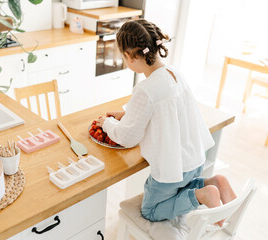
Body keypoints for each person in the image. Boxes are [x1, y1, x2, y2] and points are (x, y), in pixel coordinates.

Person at [96, 19, 236, 227]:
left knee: (150, 210)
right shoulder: (174, 73)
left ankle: (203, 194)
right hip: (194, 161)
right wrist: (126, 113)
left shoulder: (145, 89)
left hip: (172, 171)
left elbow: (126, 138)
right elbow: (162, 110)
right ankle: (214, 182)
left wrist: (106, 123)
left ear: (129, 56)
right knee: (183, 187)